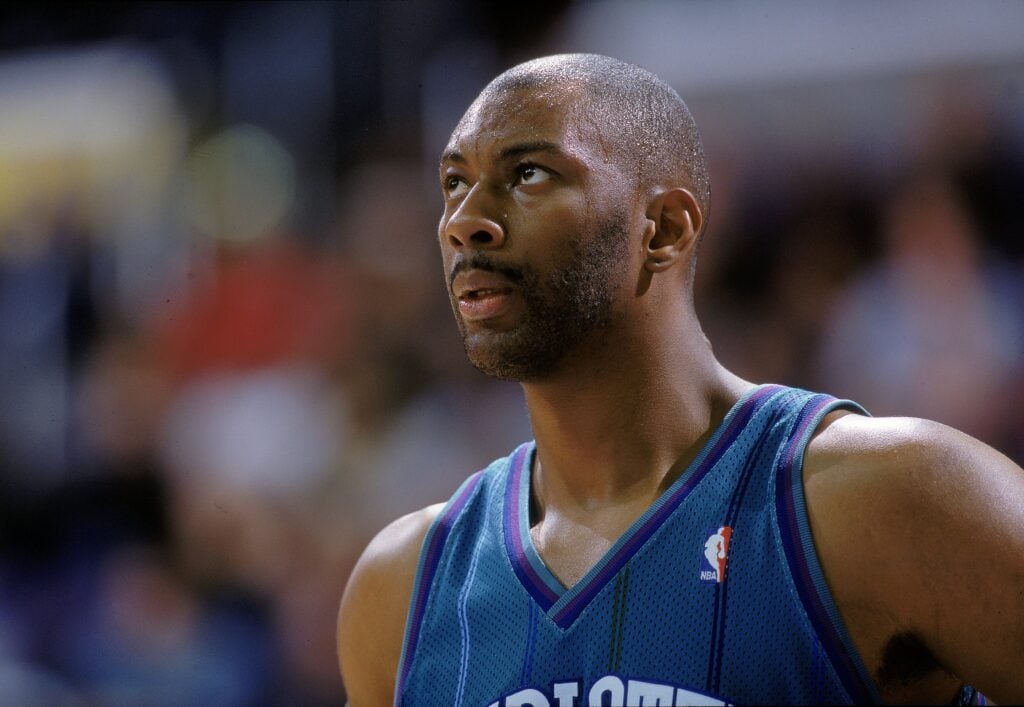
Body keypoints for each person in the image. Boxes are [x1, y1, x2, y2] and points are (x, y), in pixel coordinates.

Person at [337, 54, 1024, 706]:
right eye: (455, 183)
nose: (466, 222)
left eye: (529, 175)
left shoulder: (893, 495)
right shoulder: (402, 588)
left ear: (664, 228)